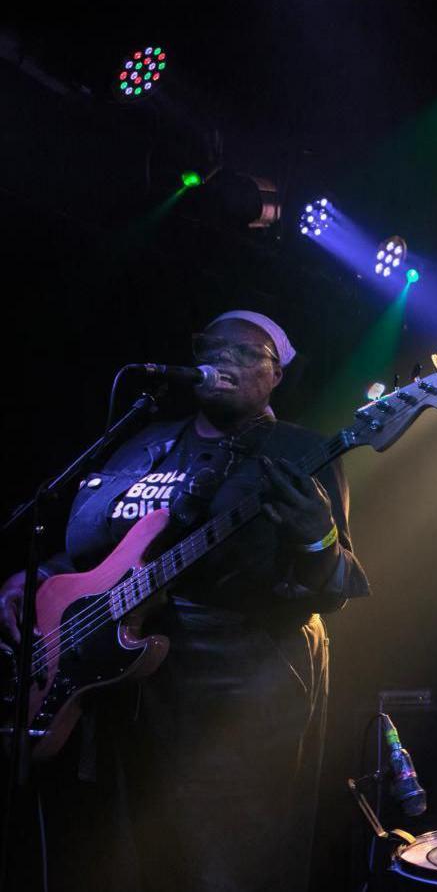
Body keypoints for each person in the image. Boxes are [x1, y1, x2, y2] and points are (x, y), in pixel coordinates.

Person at [1, 310, 368, 892]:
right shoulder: (143, 439)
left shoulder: (299, 449)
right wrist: (36, 581)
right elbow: (94, 549)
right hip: (117, 683)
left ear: (276, 376)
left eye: (248, 353)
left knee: (223, 864)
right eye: (213, 347)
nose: (226, 358)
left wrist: (315, 535)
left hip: (237, 681)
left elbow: (338, 579)